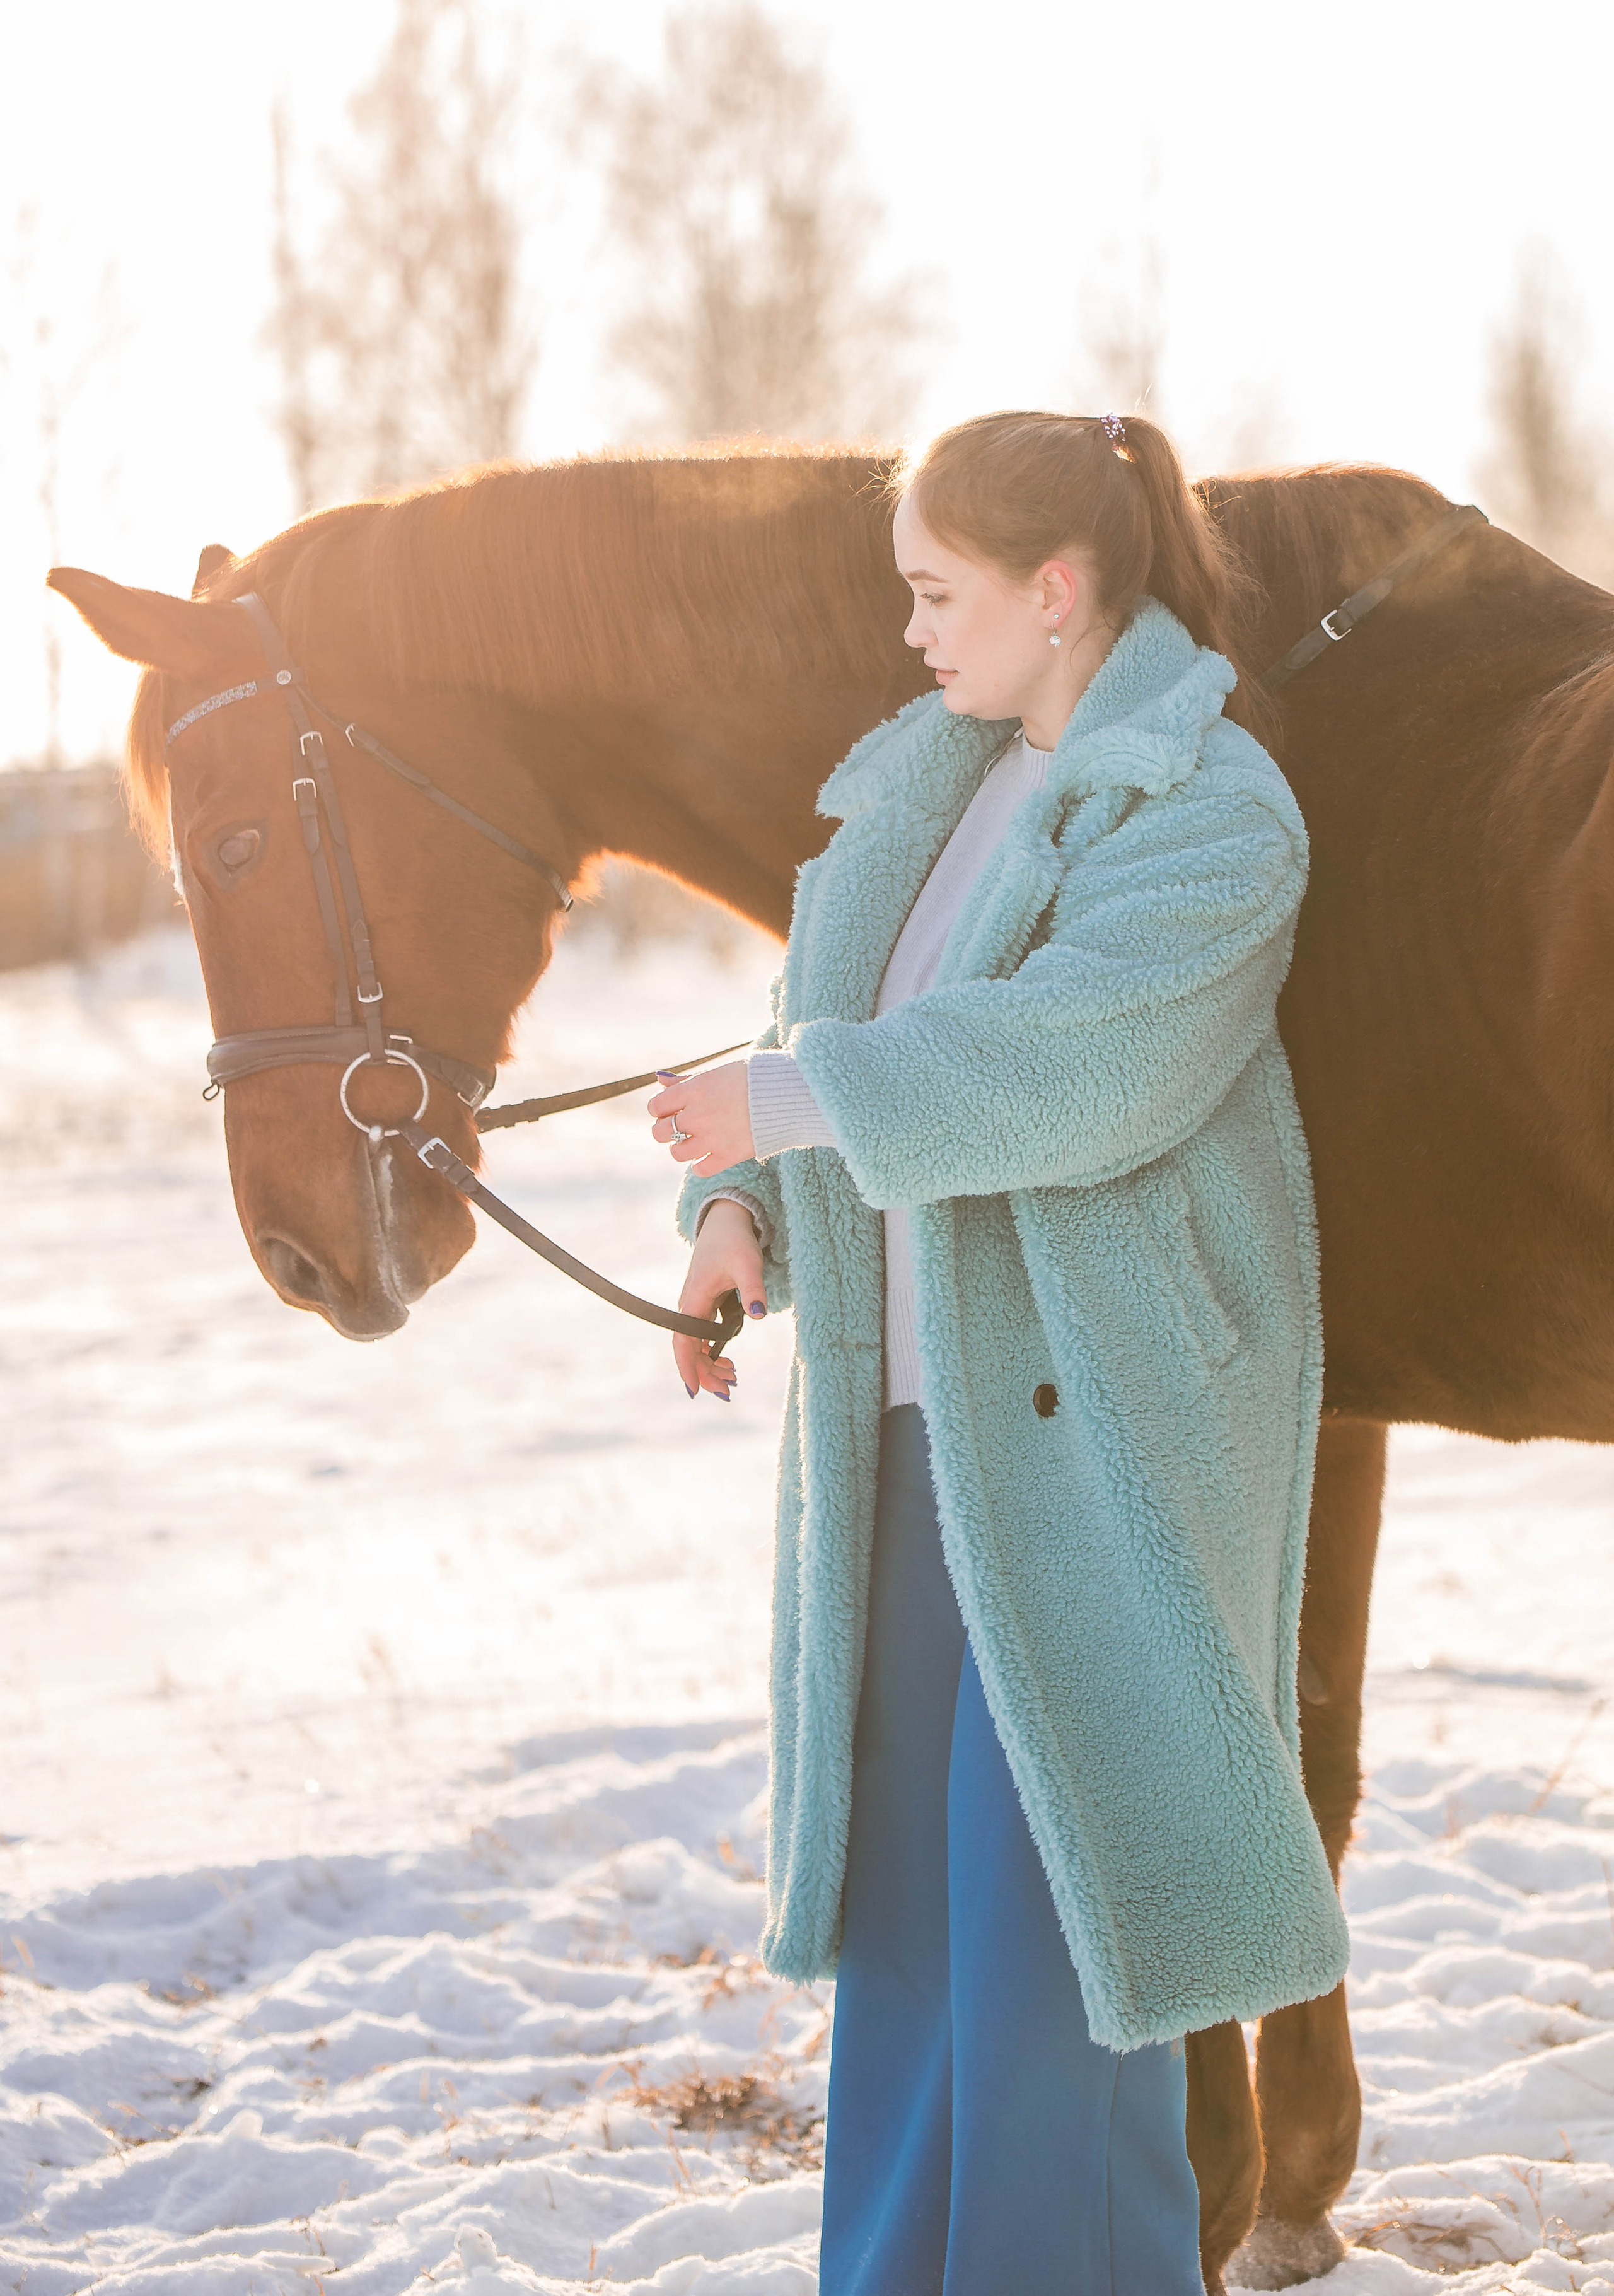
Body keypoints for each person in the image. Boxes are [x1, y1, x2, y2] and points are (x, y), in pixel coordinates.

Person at [645, 410, 1348, 2296]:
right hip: (897, 1461)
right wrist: (748, 1218)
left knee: (1053, 1986)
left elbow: (1076, 1070)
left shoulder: (1211, 811)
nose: (912, 635)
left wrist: (785, 1100)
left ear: (1058, 590)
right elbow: (845, 1046)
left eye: (937, 592)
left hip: (1087, 1466)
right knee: (916, 1963)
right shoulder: (934, 795)